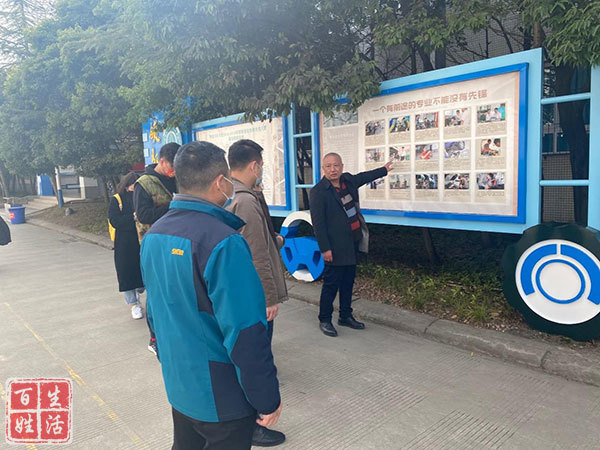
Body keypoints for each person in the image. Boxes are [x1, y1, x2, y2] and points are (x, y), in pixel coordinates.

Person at [140, 141, 282, 450]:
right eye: (228, 178)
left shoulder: (154, 235)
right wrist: (267, 398)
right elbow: (245, 332)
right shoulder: (223, 242)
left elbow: (153, 313)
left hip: (180, 384)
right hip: (221, 396)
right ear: (220, 182)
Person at [226, 139, 288, 447]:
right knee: (256, 357)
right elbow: (257, 255)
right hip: (255, 294)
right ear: (254, 165)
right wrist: (269, 298)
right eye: (261, 165)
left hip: (241, 289)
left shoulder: (231, 195)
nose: (261, 170)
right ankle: (254, 424)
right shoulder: (247, 201)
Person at [309, 152, 392, 337]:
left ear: (342, 166)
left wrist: (384, 170)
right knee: (331, 284)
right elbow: (318, 224)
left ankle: (345, 316)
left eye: (336, 165)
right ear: (323, 169)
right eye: (328, 166)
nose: (333, 169)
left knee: (348, 282)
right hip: (334, 247)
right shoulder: (318, 192)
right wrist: (325, 248)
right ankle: (325, 319)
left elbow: (364, 177)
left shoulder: (347, 181)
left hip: (352, 242)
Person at [134, 142, 180, 355]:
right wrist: (172, 206)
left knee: (176, 290)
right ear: (162, 161)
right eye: (171, 167)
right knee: (156, 293)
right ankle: (154, 338)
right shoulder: (144, 184)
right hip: (154, 245)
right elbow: (143, 215)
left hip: (177, 242)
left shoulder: (177, 180)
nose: (174, 172)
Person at [108, 172, 145, 319]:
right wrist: (133, 217)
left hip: (141, 239)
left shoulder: (141, 197)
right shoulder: (117, 199)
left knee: (142, 272)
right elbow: (115, 220)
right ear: (127, 185)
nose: (135, 188)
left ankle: (139, 291)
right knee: (126, 273)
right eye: (133, 185)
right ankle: (133, 304)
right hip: (124, 243)